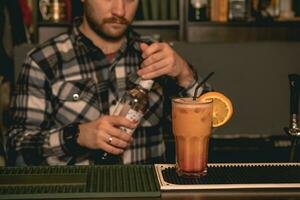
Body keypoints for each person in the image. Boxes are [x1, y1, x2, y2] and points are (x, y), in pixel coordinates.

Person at [6, 0, 210, 166]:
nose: (120, 10)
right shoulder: (44, 61)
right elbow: (16, 150)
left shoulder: (155, 56)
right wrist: (76, 136)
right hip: (77, 195)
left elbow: (209, 122)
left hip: (147, 191)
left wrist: (184, 73)